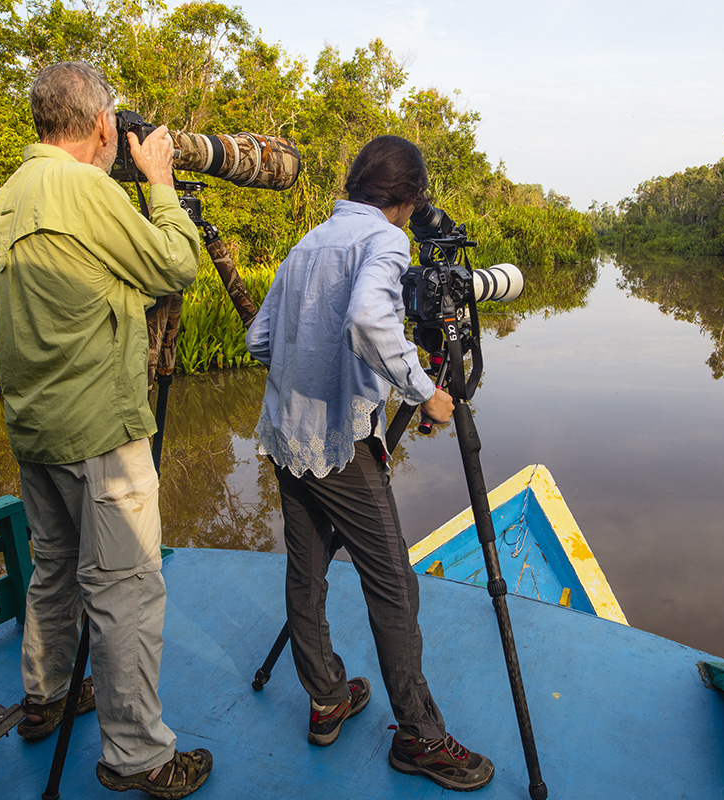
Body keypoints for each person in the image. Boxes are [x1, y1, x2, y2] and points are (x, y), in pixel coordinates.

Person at [0, 61, 211, 799]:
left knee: (54, 571)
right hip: (99, 435)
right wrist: (163, 184)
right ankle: (138, 757)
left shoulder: (7, 196)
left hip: (35, 430)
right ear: (102, 125)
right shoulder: (84, 189)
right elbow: (177, 264)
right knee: (127, 593)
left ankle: (45, 697)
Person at [245, 135, 495, 792]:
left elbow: (260, 340)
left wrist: (315, 368)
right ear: (406, 200)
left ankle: (327, 696)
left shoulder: (308, 242)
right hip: (338, 445)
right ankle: (420, 736)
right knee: (393, 585)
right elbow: (365, 318)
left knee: (307, 573)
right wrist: (424, 391)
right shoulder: (383, 241)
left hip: (284, 436)